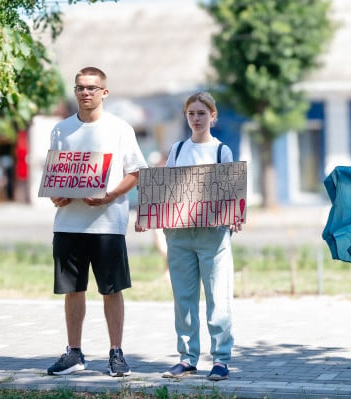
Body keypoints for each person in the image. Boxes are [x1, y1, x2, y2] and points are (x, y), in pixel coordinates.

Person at [46, 67, 147, 377]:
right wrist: (56, 195)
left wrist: (109, 195)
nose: (85, 92)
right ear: (74, 92)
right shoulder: (61, 129)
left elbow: (135, 172)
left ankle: (116, 353)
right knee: (72, 291)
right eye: (79, 88)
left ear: (105, 92)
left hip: (107, 226)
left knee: (111, 290)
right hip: (68, 224)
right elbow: (55, 173)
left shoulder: (120, 128)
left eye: (91, 87)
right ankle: (73, 353)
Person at [158, 92, 241, 381]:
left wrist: (236, 216)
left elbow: (231, 195)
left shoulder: (222, 152)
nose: (196, 118)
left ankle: (220, 359)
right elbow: (166, 189)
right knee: (184, 299)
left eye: (201, 113)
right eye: (191, 113)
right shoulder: (177, 150)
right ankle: (186, 358)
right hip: (179, 235)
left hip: (213, 236)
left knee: (219, 300)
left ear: (212, 117)